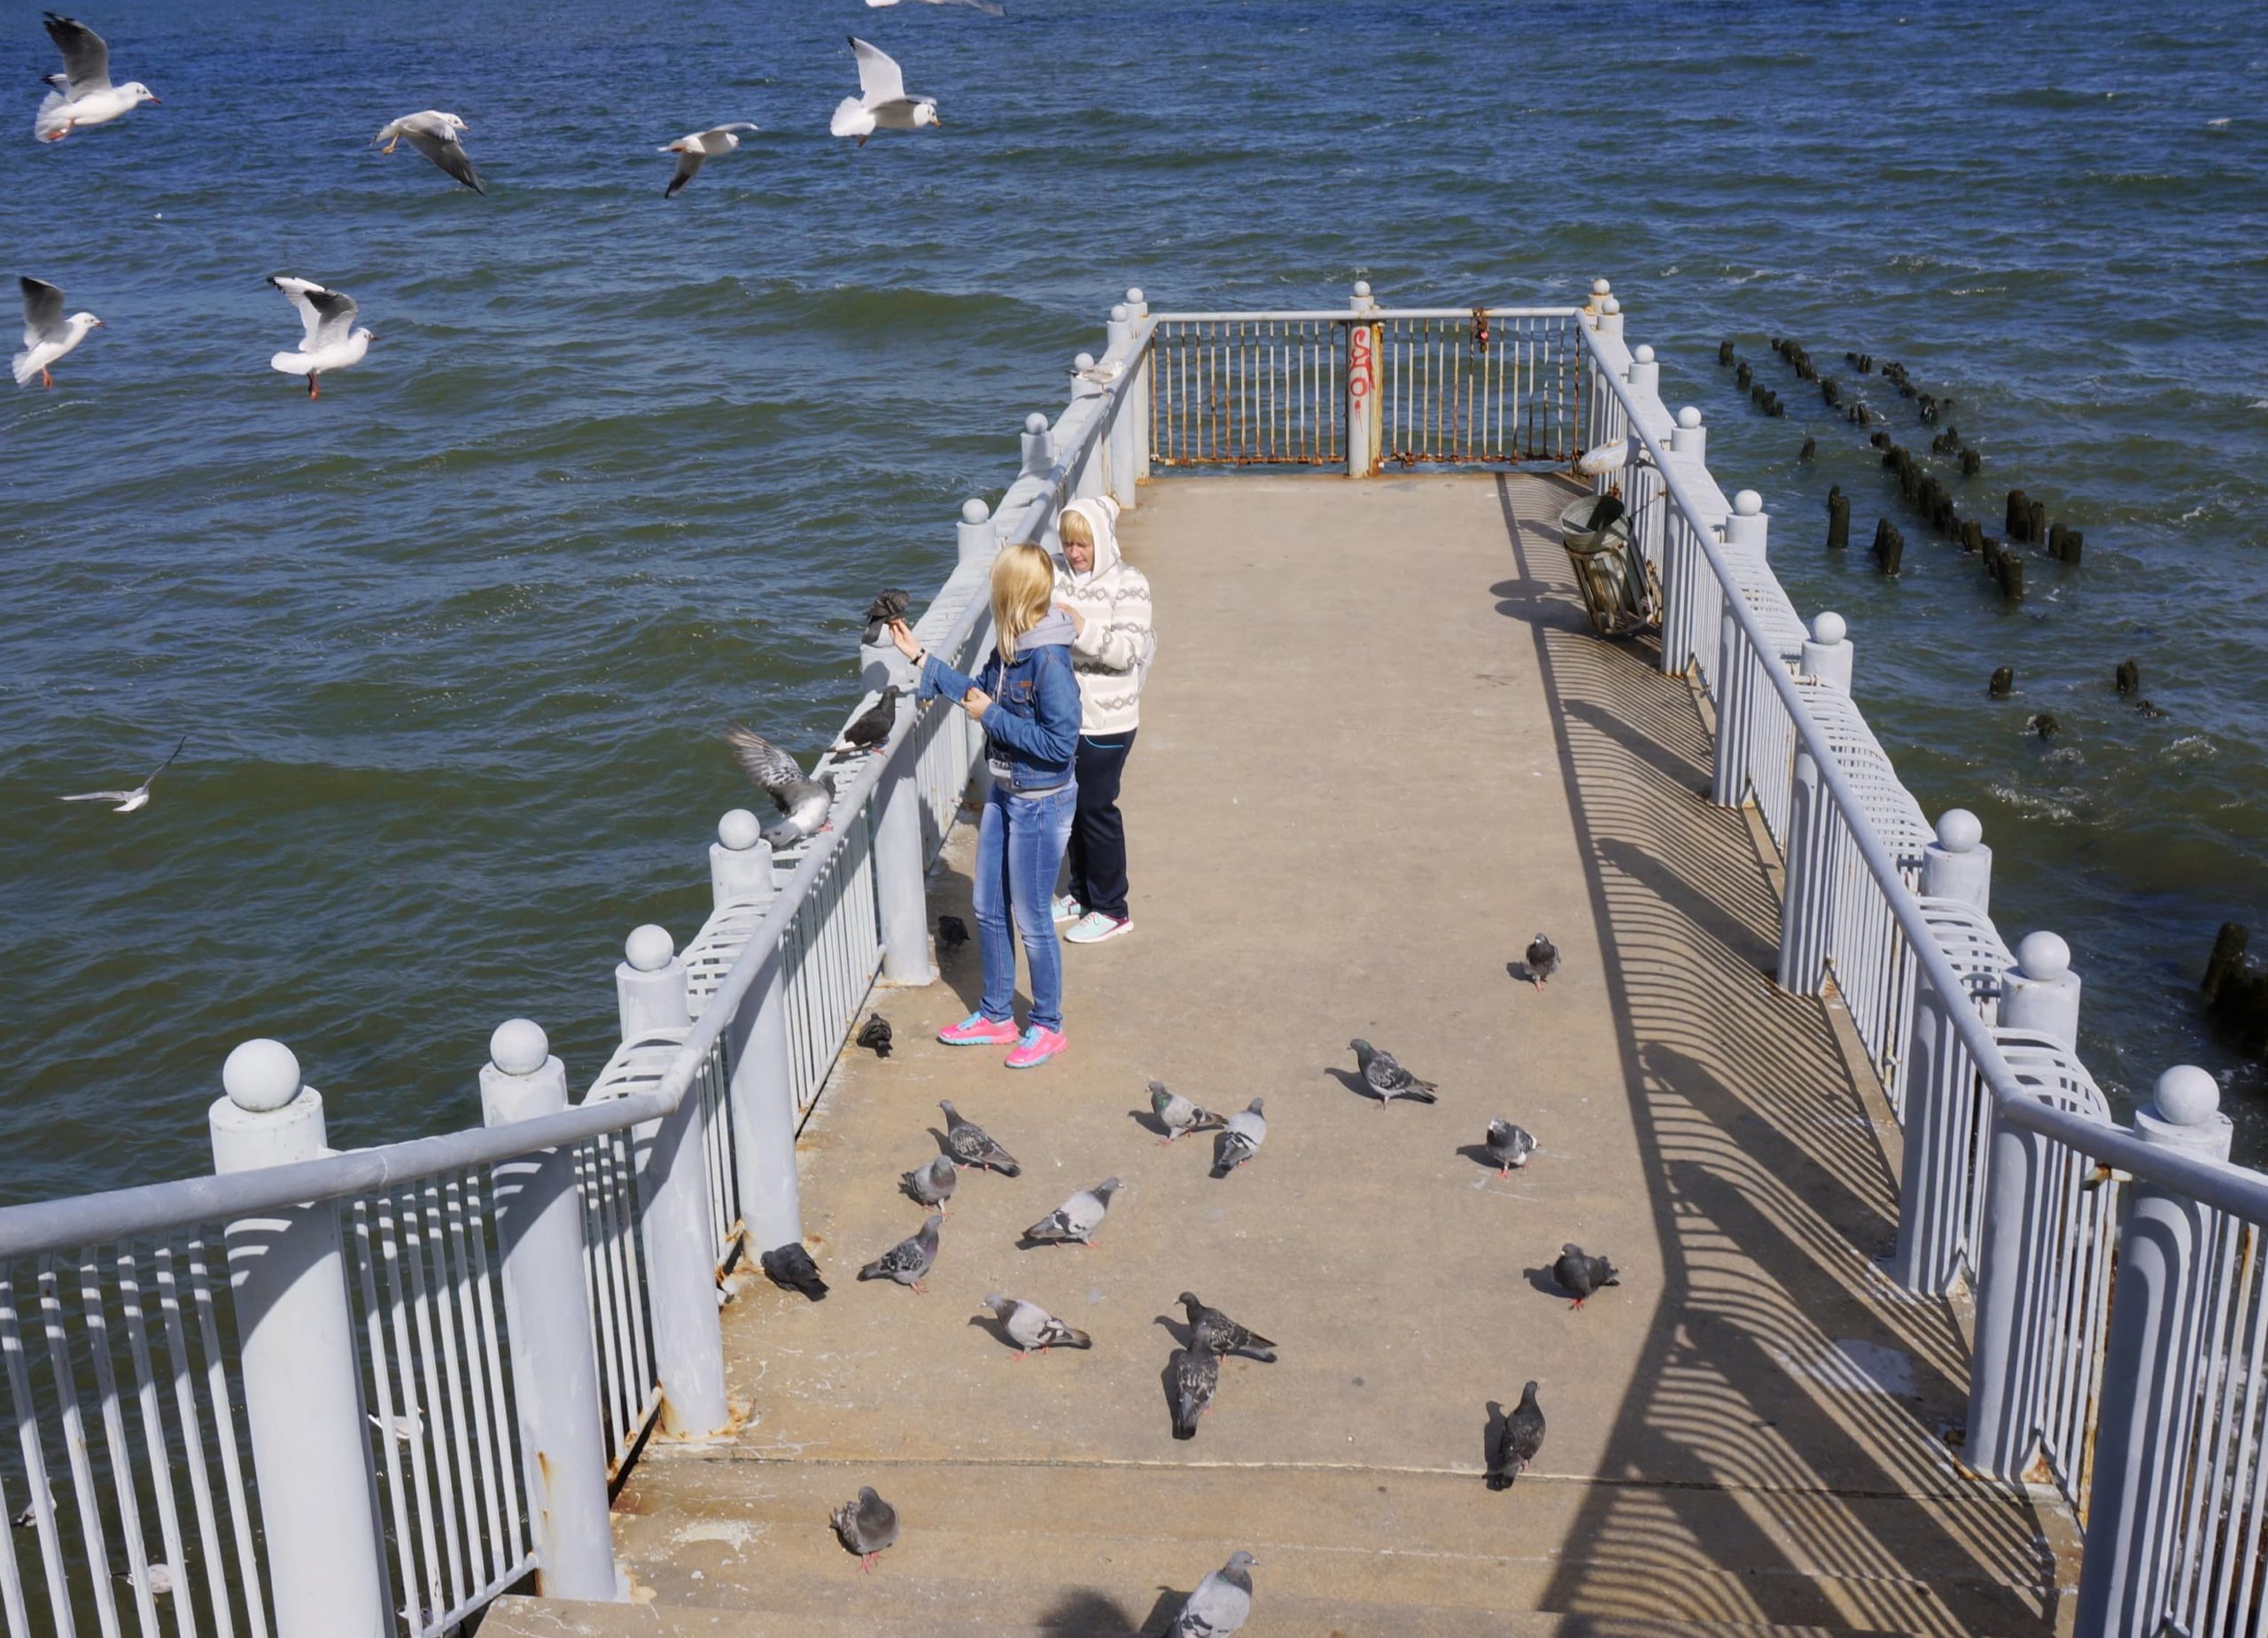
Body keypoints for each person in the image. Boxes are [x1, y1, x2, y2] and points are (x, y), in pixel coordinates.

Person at [887, 542, 1081, 1069]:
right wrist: (922, 658)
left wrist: (993, 717)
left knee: (1034, 918)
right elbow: (978, 692)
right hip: (1005, 791)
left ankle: (1047, 1026)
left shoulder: (1048, 660)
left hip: (1041, 801)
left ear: (1011, 594)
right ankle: (997, 1016)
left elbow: (1062, 746)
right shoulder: (1011, 648)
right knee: (987, 908)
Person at [1050, 496, 1154, 944]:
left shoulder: (1130, 584)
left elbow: (1127, 652)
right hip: (1065, 717)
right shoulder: (1055, 575)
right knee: (1071, 808)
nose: (1075, 553)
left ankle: (1112, 908)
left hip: (1109, 722)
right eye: (1069, 543)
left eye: (1084, 544)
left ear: (1103, 541)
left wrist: (1080, 628)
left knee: (1097, 809)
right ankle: (1080, 893)